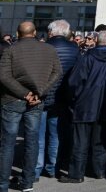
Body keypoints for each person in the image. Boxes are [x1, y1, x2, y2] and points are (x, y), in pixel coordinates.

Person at [0, 21, 62, 192]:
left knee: (8, 143)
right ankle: (27, 182)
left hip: (13, 99)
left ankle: (3, 184)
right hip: (36, 100)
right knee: (32, 140)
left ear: (18, 34)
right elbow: (57, 72)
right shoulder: (49, 49)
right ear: (34, 32)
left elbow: (3, 76)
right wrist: (39, 92)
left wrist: (25, 93)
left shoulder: (11, 50)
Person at [58, 30, 106, 184]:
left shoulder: (87, 56)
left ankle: (76, 174)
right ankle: (99, 171)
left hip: (85, 105)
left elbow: (75, 82)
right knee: (100, 141)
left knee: (80, 141)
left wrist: (74, 100)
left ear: (97, 40)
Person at [36, 20, 80, 180]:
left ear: (50, 32)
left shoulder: (42, 48)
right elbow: (76, 76)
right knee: (55, 134)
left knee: (39, 135)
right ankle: (52, 167)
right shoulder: (74, 49)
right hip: (62, 97)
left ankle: (36, 168)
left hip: (42, 95)